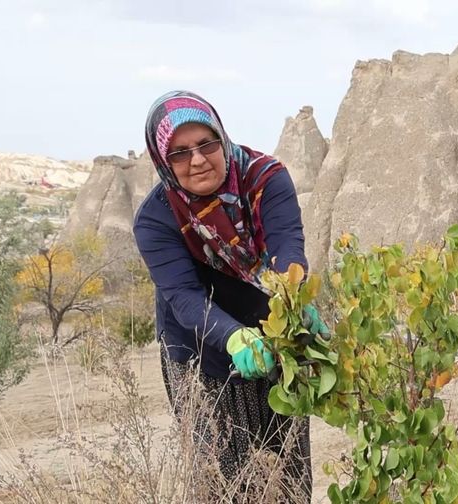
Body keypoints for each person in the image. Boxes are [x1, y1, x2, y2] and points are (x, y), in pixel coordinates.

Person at [134, 90, 324, 502]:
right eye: (180, 153)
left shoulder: (265, 179)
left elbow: (287, 247)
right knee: (223, 482)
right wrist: (234, 337)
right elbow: (183, 296)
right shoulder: (156, 218)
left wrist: (294, 302)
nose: (197, 160)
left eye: (206, 144)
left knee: (288, 476)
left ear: (222, 138)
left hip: (273, 334)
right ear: (163, 161)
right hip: (199, 353)